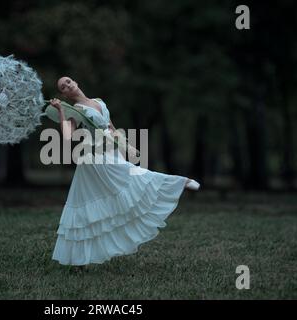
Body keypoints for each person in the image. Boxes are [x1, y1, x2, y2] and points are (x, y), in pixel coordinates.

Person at [49, 76, 200, 267]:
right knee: (127, 178)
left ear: (75, 82)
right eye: (63, 87)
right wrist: (61, 110)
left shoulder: (98, 102)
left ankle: (81, 259)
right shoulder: (75, 110)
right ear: (64, 94)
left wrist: (127, 147)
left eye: (68, 81)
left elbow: (111, 128)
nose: (68, 86)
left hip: (111, 151)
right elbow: (68, 137)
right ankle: (180, 182)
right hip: (94, 156)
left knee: (117, 191)